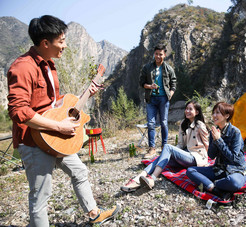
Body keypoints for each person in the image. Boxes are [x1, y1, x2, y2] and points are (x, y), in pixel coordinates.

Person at [7, 15, 119, 226]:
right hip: (32, 141)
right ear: (45, 43)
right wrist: (59, 125)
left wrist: (86, 95)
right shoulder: (22, 67)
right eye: (61, 41)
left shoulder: (50, 66)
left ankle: (94, 213)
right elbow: (18, 110)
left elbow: (51, 105)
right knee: (41, 196)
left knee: (79, 171)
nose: (65, 46)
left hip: (54, 138)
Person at [121, 100, 209, 192]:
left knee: (167, 147)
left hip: (195, 158)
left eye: (190, 109)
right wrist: (171, 153)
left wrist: (204, 162)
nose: (187, 111)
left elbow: (207, 144)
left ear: (197, 112)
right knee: (162, 157)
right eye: (186, 109)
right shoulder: (183, 124)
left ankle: (153, 178)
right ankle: (137, 179)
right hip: (185, 156)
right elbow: (180, 144)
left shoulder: (200, 125)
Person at [186, 102, 246, 200]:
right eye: (213, 113)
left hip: (235, 169)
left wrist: (219, 141)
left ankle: (209, 184)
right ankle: (214, 189)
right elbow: (211, 155)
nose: (214, 116)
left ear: (227, 116)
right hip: (219, 169)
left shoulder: (235, 132)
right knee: (190, 170)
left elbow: (233, 158)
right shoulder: (214, 132)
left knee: (234, 182)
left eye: (217, 113)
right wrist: (215, 140)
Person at [139, 44, 177, 159]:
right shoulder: (147, 68)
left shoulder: (168, 68)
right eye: (156, 54)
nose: (158, 56)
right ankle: (152, 148)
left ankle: (165, 147)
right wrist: (150, 86)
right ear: (154, 54)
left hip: (163, 99)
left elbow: (174, 82)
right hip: (151, 98)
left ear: (164, 55)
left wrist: (170, 94)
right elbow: (141, 83)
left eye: (161, 54)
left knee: (164, 123)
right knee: (151, 123)